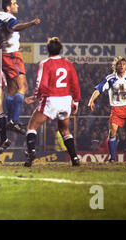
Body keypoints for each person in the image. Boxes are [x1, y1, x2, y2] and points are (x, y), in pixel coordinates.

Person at [0, 0, 41, 136]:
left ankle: (10, 120)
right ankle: (13, 121)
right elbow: (15, 28)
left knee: (12, 89)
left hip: (3, 55)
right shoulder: (10, 18)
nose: (17, 6)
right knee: (23, 87)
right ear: (8, 7)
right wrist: (32, 23)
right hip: (12, 55)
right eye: (14, 4)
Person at [23, 37, 81, 167]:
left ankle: (31, 151)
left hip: (51, 99)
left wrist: (35, 97)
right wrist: (76, 102)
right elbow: (75, 84)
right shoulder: (68, 64)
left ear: (47, 49)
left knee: (32, 126)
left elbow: (41, 83)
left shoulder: (45, 63)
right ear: (60, 49)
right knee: (65, 130)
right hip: (66, 100)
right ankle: (75, 158)